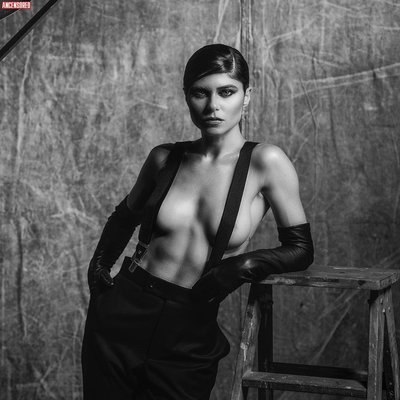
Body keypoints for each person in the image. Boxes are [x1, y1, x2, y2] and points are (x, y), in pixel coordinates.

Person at [81, 44, 314, 400]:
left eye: (226, 92)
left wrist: (239, 267)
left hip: (189, 327)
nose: (212, 106)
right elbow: (125, 216)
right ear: (187, 96)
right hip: (121, 316)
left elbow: (300, 249)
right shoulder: (164, 158)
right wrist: (99, 266)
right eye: (200, 93)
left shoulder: (266, 162)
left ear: (247, 96)